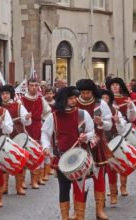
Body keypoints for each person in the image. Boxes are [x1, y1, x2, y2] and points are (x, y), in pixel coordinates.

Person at [41, 86, 95, 220]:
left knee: (80, 187)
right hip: (62, 158)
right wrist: (46, 147)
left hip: (80, 156)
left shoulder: (82, 114)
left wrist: (86, 137)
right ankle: (65, 217)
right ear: (63, 99)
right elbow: (45, 133)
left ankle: (80, 217)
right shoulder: (53, 116)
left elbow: (91, 131)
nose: (74, 100)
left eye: (74, 97)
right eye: (70, 98)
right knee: (64, 188)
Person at [76, 79, 113, 220]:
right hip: (79, 146)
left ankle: (99, 210)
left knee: (99, 177)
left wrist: (102, 122)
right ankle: (79, 212)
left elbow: (109, 123)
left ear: (93, 92)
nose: (85, 95)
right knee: (79, 178)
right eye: (83, 92)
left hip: (97, 145)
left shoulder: (101, 104)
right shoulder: (74, 103)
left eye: (88, 92)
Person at [106, 77, 136, 197]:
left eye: (116, 85)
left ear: (120, 86)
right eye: (112, 85)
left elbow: (132, 117)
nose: (114, 86)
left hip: (122, 131)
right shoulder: (106, 100)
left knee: (122, 159)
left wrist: (130, 107)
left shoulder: (125, 99)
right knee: (111, 163)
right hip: (108, 133)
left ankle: (123, 186)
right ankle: (112, 188)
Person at [0, 84, 31, 195]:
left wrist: (26, 118)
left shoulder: (18, 106)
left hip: (17, 135)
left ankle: (19, 186)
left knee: (19, 161)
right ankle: (4, 186)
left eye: (7, 93)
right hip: (3, 137)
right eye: (2, 94)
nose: (5, 96)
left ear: (10, 94)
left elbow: (27, 122)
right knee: (3, 161)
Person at [21, 79, 51, 189]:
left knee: (37, 154)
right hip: (25, 129)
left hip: (38, 128)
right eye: (31, 85)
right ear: (27, 87)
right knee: (24, 155)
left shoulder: (41, 100)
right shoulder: (22, 100)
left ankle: (35, 179)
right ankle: (22, 181)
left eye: (36, 85)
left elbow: (48, 114)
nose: (34, 87)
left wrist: (46, 126)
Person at [101, 89, 127, 205]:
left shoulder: (115, 111)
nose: (104, 100)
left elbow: (122, 130)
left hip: (113, 143)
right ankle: (101, 197)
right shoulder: (95, 111)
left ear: (110, 99)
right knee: (101, 171)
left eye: (106, 98)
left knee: (112, 169)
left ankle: (113, 194)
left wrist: (117, 122)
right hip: (100, 144)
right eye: (102, 98)